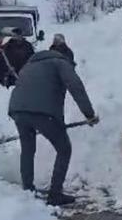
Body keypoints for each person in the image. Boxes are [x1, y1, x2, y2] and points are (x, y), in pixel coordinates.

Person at [8, 49, 100, 206]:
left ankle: (28, 190)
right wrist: (89, 114)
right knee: (64, 149)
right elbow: (75, 86)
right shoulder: (61, 63)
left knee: (28, 149)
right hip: (42, 112)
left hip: (18, 110)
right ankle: (55, 194)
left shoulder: (30, 65)